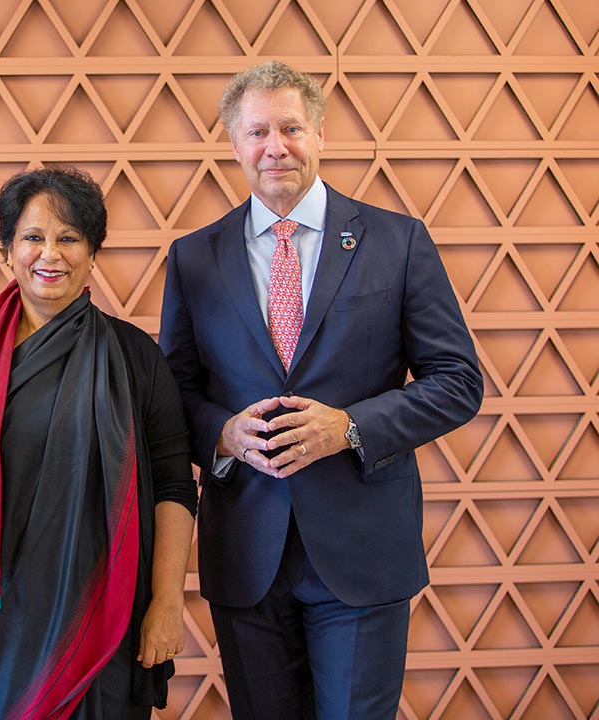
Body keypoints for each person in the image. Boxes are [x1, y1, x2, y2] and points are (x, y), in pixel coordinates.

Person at [159, 61, 483, 719]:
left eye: (290, 128)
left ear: (320, 135)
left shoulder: (396, 242)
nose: (274, 147)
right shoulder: (194, 258)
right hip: (247, 549)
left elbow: (459, 382)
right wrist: (221, 432)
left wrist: (351, 427)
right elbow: (173, 395)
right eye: (257, 132)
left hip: (362, 550)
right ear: (233, 143)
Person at [0, 167, 197, 719]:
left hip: (104, 606)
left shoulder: (135, 358)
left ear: (92, 253)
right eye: (33, 238)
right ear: (7, 250)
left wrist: (166, 599)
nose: (50, 254)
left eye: (69, 238)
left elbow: (176, 483)